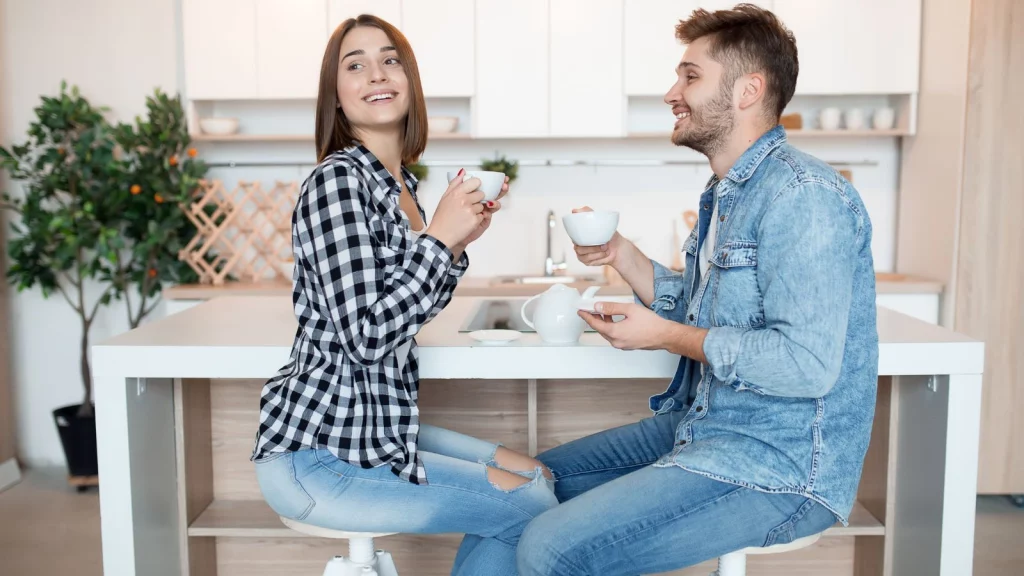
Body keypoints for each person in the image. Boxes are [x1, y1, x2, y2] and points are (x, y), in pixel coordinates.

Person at [516, 5, 879, 575]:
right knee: (515, 491)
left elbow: (806, 365)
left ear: (747, 91)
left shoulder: (804, 196)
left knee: (551, 547)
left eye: (690, 76)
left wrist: (667, 336)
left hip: (776, 468)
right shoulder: (726, 194)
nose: (671, 93)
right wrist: (622, 256)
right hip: (700, 429)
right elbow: (710, 308)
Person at [250, 15, 557, 576]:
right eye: (355, 64)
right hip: (321, 452)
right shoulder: (337, 182)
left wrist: (456, 242)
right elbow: (367, 335)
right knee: (530, 506)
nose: (376, 73)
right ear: (336, 98)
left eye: (390, 60)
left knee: (536, 474)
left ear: (410, 80)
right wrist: (439, 237)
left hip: (373, 425)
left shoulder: (401, 188)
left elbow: (406, 304)